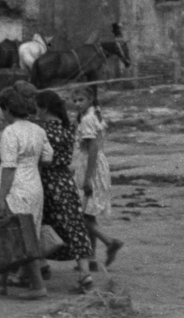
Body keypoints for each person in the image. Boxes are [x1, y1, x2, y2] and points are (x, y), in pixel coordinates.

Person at [0, 85, 51, 299]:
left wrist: (0, 199)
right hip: (34, 185)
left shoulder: (10, 132)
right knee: (22, 232)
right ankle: (1, 282)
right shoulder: (38, 130)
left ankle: (38, 286)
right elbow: (47, 158)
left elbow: (8, 167)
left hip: (16, 186)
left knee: (19, 236)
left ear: (7, 109)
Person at [35, 89, 94, 292]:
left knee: (40, 223)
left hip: (46, 181)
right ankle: (84, 273)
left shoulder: (42, 132)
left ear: (43, 109)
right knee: (74, 225)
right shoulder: (67, 129)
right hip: (65, 181)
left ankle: (40, 265)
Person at [72, 88, 124, 271]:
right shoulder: (94, 114)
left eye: (81, 99)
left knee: (82, 216)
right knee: (89, 213)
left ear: (90, 99)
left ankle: (109, 241)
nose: (78, 103)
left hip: (91, 166)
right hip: (97, 164)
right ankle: (91, 258)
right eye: (75, 100)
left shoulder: (87, 119)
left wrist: (88, 178)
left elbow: (92, 148)